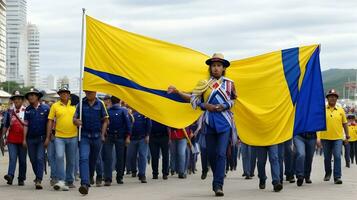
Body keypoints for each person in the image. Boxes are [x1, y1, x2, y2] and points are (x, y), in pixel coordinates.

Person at [168, 53, 237, 196]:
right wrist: (204, 105)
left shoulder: (230, 83)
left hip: (224, 122)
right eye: (213, 66)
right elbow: (193, 100)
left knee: (221, 154)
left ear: (223, 68)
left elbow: (233, 101)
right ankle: (215, 174)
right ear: (210, 68)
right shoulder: (203, 84)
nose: (216, 68)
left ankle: (218, 185)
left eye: (219, 66)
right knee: (211, 154)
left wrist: (224, 105)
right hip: (209, 122)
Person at [73, 90, 109, 195]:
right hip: (84, 137)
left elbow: (105, 120)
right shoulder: (80, 104)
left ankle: (90, 175)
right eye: (87, 92)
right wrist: (76, 121)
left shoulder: (100, 104)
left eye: (91, 92)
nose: (89, 94)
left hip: (97, 137)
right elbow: (74, 118)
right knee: (83, 158)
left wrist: (102, 135)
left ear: (95, 92)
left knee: (93, 161)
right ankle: (84, 184)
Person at [47, 87, 78, 191]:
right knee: (59, 157)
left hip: (73, 136)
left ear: (69, 95)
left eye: (66, 93)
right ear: (59, 95)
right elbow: (50, 120)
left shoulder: (75, 105)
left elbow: (79, 119)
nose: (64, 94)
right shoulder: (55, 106)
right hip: (59, 136)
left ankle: (69, 180)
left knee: (71, 160)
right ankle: (61, 180)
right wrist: (49, 135)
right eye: (61, 93)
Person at [317, 89, 349, 184]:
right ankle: (328, 173)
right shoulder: (322, 110)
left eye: (334, 96)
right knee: (327, 157)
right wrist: (318, 137)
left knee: (337, 156)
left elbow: (345, 124)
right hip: (325, 138)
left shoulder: (341, 110)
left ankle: (337, 176)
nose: (332, 98)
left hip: (338, 138)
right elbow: (318, 124)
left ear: (336, 99)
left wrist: (347, 135)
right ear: (327, 98)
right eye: (330, 96)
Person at [23, 88, 50, 190]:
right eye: (29, 95)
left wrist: (47, 137)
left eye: (33, 95)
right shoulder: (28, 110)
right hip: (30, 139)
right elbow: (26, 125)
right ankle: (37, 175)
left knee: (39, 158)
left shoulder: (46, 108)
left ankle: (39, 179)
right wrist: (24, 139)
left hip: (41, 139)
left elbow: (49, 123)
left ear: (38, 97)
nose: (31, 97)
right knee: (32, 159)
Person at [103, 96, 131, 186]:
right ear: (119, 101)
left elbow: (104, 123)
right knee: (120, 158)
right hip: (119, 136)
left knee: (108, 158)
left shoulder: (108, 110)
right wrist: (128, 137)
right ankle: (119, 177)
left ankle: (108, 178)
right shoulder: (123, 110)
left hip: (110, 136)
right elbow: (128, 125)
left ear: (111, 101)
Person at [2, 91, 27, 186]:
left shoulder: (27, 110)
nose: (17, 100)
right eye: (15, 99)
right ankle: (10, 176)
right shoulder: (9, 112)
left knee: (22, 160)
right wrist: (2, 136)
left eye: (19, 99)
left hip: (23, 139)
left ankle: (21, 178)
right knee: (12, 158)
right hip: (11, 139)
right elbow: (5, 125)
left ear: (22, 100)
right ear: (13, 101)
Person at [127, 109, 151, 183]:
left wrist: (147, 135)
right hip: (132, 138)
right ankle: (134, 170)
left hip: (142, 138)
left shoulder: (145, 113)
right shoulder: (129, 114)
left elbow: (149, 124)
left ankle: (142, 174)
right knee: (131, 156)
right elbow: (127, 125)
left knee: (142, 156)